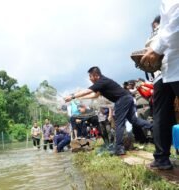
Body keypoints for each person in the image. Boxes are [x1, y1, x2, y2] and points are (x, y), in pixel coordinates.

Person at [64, 66, 152, 155]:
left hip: (122, 99)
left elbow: (88, 90)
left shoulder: (102, 81)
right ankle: (153, 127)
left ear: (95, 75)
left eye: (90, 76)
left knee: (119, 124)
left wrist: (72, 96)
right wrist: (80, 97)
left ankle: (119, 148)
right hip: (126, 98)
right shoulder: (102, 83)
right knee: (134, 120)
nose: (90, 79)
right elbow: (95, 95)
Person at [140, 1, 179, 170]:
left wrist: (157, 49)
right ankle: (161, 158)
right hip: (164, 69)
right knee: (161, 116)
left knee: (161, 116)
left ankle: (162, 158)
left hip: (172, 63)